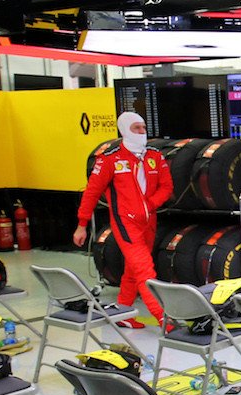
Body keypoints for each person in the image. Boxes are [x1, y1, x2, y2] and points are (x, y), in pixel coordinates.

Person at [73, 112, 172, 328]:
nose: (142, 132)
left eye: (143, 127)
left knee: (132, 269)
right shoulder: (109, 158)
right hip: (125, 223)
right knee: (145, 269)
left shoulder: (155, 155)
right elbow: (91, 193)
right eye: (136, 128)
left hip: (149, 221)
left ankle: (124, 314)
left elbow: (167, 187)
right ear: (124, 130)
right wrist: (82, 225)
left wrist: (150, 204)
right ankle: (163, 317)